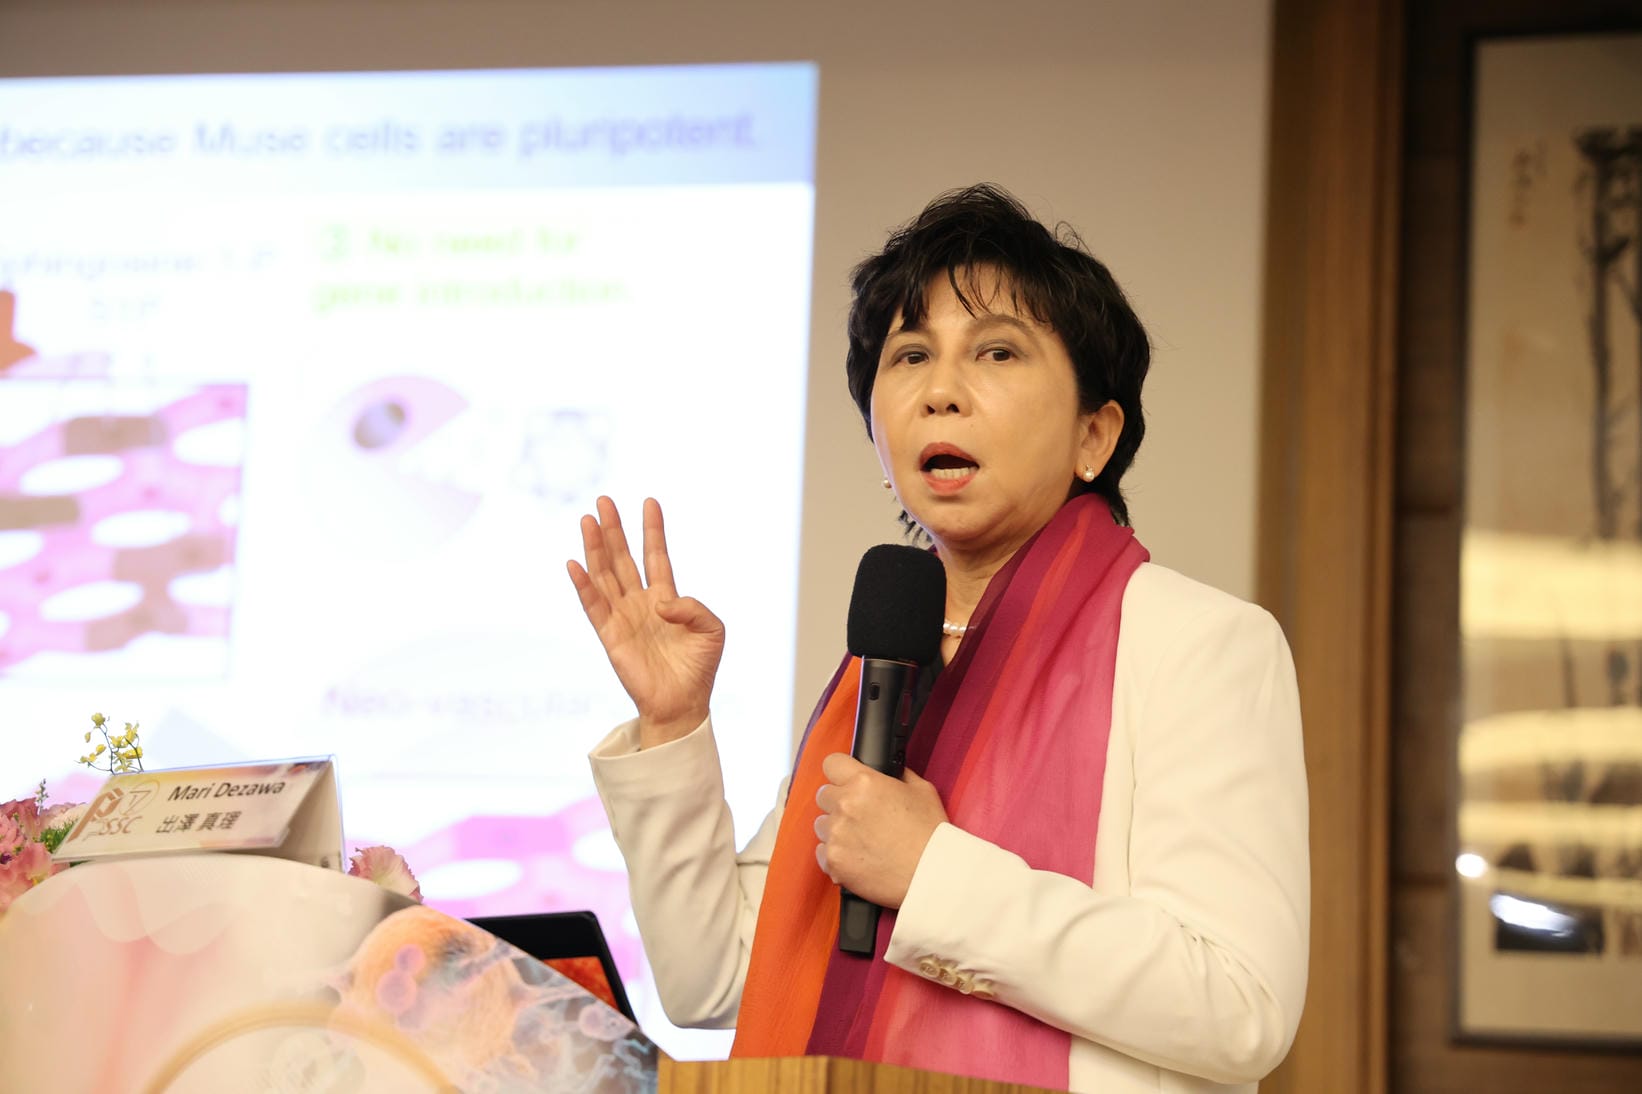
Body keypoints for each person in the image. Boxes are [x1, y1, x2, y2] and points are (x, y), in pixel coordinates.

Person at [568, 184, 1308, 1094]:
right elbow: (711, 978)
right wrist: (674, 726)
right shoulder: (880, 668)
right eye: (911, 356)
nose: (941, 393)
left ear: (1095, 434)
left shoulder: (1202, 645)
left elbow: (1241, 1008)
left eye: (997, 352)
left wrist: (934, 873)